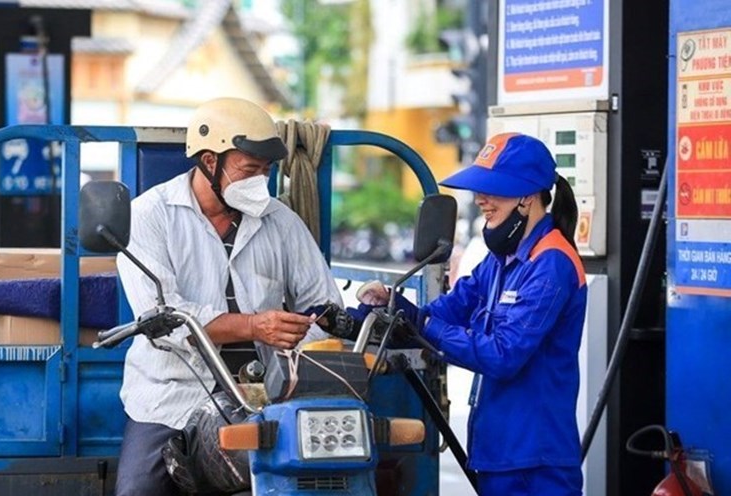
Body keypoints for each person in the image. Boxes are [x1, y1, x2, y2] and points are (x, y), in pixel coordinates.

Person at [114, 97, 343, 496]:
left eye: (266, 171)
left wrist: (304, 330)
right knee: (138, 490)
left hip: (268, 398)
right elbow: (164, 320)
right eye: (249, 170)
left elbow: (324, 306)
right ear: (209, 161)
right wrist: (255, 326)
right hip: (172, 396)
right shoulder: (149, 216)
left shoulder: (282, 222)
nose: (261, 181)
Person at [384, 133, 586, 495]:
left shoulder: (551, 263)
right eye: (480, 190)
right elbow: (451, 308)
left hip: (535, 461)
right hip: (499, 452)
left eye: (493, 190)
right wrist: (393, 308)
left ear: (527, 197)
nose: (481, 200)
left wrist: (424, 325)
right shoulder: (500, 260)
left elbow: (504, 355)